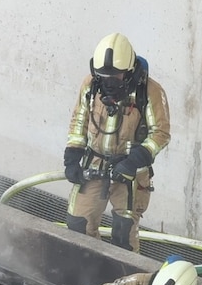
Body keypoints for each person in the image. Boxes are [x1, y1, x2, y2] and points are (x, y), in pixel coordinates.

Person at [62, 32, 171, 253]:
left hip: (130, 176)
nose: (109, 83)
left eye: (116, 77)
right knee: (77, 226)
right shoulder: (91, 85)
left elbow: (161, 133)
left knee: (123, 235)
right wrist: (72, 158)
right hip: (93, 166)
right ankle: (87, 274)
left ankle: (123, 284)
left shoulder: (150, 92)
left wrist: (132, 163)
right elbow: (79, 121)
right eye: (104, 76)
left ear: (129, 72)